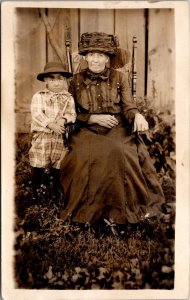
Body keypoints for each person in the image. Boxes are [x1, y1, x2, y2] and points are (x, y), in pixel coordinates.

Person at [60, 32, 165, 225]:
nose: (96, 60)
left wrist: (138, 115)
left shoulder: (120, 78)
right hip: (86, 128)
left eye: (101, 55)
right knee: (82, 156)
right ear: (85, 56)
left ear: (108, 57)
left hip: (117, 126)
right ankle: (87, 214)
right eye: (92, 55)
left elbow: (128, 107)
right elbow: (70, 112)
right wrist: (92, 118)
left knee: (119, 151)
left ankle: (122, 213)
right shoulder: (75, 80)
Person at [29, 61, 76, 200]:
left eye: (60, 78)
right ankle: (36, 192)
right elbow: (37, 114)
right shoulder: (39, 96)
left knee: (58, 164)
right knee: (39, 163)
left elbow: (72, 114)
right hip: (43, 136)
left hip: (59, 137)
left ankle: (56, 191)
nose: (56, 83)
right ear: (45, 81)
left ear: (65, 80)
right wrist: (51, 124)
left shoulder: (68, 98)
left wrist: (63, 120)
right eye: (52, 79)